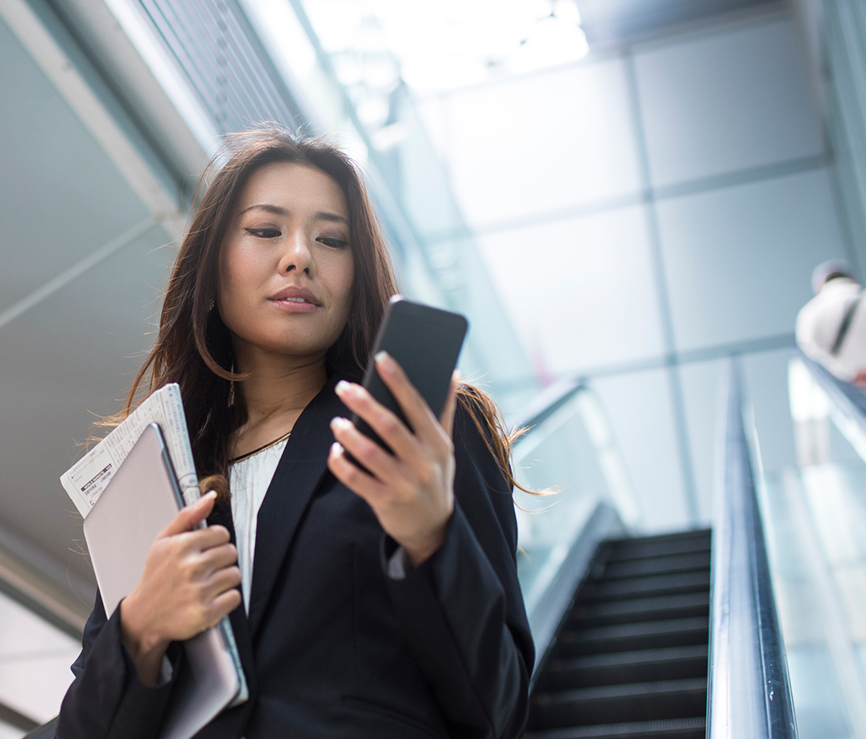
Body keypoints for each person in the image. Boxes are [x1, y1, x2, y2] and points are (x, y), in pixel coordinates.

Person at [57, 127, 533, 739]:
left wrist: (430, 538)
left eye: (332, 239)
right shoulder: (161, 471)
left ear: (356, 273)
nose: (300, 255)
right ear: (213, 261)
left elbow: (501, 708)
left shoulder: (415, 430)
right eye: (265, 230)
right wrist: (142, 626)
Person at [796, 259, 866, 388]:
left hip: (854, 394)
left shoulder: (809, 314)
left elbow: (815, 354)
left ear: (819, 285)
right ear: (853, 279)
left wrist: (851, 374)